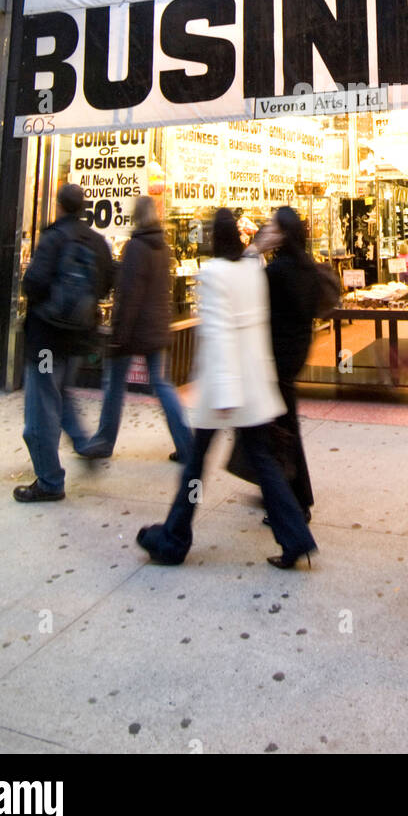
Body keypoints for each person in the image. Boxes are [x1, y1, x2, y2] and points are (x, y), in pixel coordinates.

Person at [137, 208, 317, 569]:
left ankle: (173, 539)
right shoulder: (250, 270)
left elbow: (219, 335)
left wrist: (225, 393)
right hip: (254, 383)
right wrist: (258, 245)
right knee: (263, 463)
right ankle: (295, 537)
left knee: (195, 466)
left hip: (225, 388)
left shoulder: (214, 273)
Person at [15, 183, 114, 502]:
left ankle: (49, 480)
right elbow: (106, 284)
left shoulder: (55, 236)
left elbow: (34, 282)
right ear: (84, 207)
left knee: (40, 409)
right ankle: (83, 443)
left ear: (59, 206)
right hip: (78, 338)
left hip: (47, 338)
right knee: (61, 392)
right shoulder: (98, 241)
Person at [82, 196, 193, 465]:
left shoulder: (135, 248)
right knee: (162, 385)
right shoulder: (163, 248)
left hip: (132, 331)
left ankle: (104, 440)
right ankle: (187, 444)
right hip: (157, 328)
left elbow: (128, 295)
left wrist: (118, 333)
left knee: (114, 385)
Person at [234, 206, 318, 518]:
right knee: (282, 427)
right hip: (293, 355)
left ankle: (292, 502)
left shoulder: (278, 270)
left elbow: (245, 292)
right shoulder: (305, 266)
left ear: (282, 233)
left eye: (272, 226)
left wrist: (254, 249)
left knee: (280, 431)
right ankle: (286, 495)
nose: (266, 229)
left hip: (275, 360)